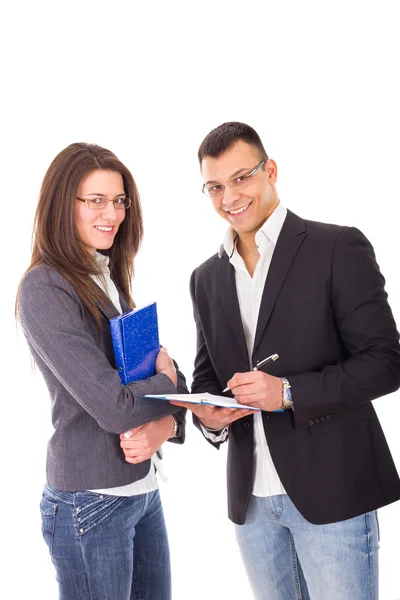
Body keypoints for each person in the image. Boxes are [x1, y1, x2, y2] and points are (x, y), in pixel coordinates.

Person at [173, 122, 400, 600]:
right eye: (215, 186)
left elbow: (385, 362)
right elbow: (208, 377)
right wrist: (210, 420)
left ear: (269, 170)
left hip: (333, 493)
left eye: (241, 178)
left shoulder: (337, 247)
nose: (229, 197)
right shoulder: (205, 278)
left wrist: (289, 392)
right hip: (252, 503)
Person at [16, 143, 187, 600]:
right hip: (91, 503)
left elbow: (164, 381)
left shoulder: (106, 276)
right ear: (61, 205)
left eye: (118, 201)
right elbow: (117, 405)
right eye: (95, 200)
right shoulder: (45, 287)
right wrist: (167, 385)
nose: (111, 213)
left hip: (141, 491)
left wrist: (165, 423)